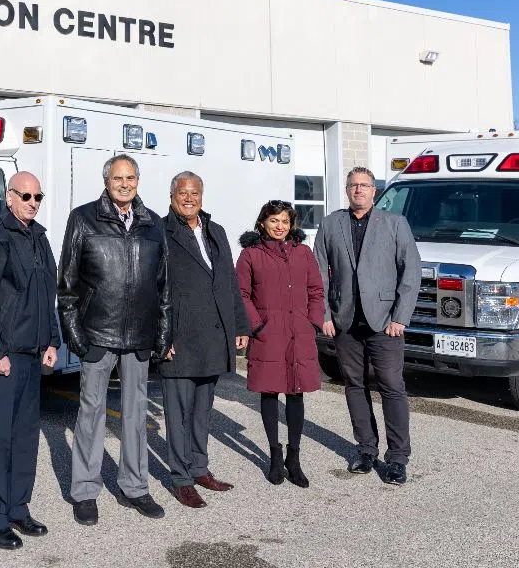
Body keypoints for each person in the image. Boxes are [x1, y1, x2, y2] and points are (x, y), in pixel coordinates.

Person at [58, 154, 171, 525]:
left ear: (138, 180)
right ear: (107, 181)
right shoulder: (83, 218)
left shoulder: (152, 223)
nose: (125, 184)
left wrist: (162, 330)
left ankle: (135, 487)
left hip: (138, 336)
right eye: (118, 178)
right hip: (97, 334)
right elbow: (68, 284)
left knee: (136, 415)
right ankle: (85, 490)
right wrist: (74, 333)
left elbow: (163, 285)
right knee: (90, 413)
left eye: (131, 177)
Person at [0, 171, 60, 550]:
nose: (33, 203)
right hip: (3, 359)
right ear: (9, 198)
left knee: (25, 439)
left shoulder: (39, 237)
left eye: (38, 197)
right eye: (26, 196)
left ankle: (19, 509)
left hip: (31, 356)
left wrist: (52, 340)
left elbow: (46, 294)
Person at [314, 167, 421, 485]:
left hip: (385, 323)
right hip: (345, 322)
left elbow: (411, 271)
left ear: (375, 191)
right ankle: (365, 450)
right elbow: (318, 272)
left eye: (364, 185)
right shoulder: (331, 224)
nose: (358, 190)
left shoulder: (395, 224)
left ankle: (398, 458)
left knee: (391, 387)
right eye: (353, 185)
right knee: (355, 387)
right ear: (346, 191)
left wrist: (400, 317)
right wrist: (324, 315)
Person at [157, 172, 250, 508]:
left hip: (210, 337)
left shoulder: (216, 231)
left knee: (201, 411)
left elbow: (228, 283)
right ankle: (181, 478)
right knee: (178, 414)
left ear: (202, 195)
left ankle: (199, 468)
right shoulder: (160, 233)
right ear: (171, 196)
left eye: (195, 192)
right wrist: (161, 335)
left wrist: (240, 326)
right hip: (179, 339)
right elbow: (153, 289)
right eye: (182, 192)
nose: (189, 197)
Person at [236, 200, 325, 488]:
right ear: (262, 222)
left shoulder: (303, 253)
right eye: (274, 220)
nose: (279, 226)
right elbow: (241, 294)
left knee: (296, 394)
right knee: (270, 392)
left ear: (292, 224)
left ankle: (294, 458)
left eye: (285, 221)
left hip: (299, 332)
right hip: (269, 334)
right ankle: (274, 456)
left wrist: (313, 320)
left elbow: (316, 290)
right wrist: (257, 325)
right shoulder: (250, 254)